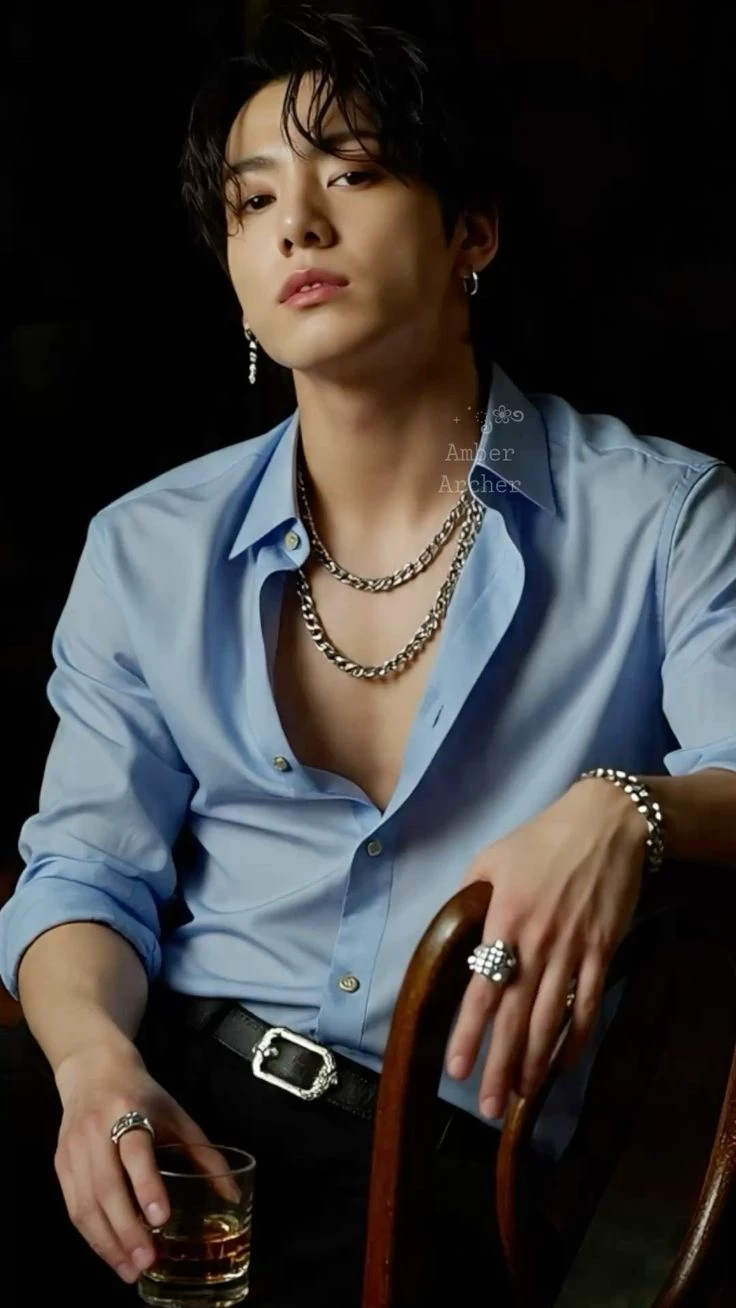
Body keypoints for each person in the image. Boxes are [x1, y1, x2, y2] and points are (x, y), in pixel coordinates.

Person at [2, 5, 736, 1306]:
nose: (297, 223)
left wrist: (626, 808)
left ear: (472, 234)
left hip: (436, 1185)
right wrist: (92, 1070)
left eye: (351, 173)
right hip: (163, 1110)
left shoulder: (664, 518)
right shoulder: (145, 547)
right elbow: (84, 873)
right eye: (252, 200)